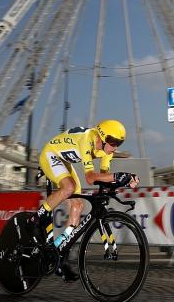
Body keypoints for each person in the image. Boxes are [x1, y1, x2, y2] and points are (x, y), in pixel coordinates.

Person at [34, 119, 139, 282]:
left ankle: (60, 252)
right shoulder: (87, 140)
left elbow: (104, 178)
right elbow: (90, 178)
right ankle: (38, 217)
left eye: (119, 143)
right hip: (50, 154)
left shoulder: (107, 152)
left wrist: (122, 181)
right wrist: (119, 176)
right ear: (101, 137)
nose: (115, 147)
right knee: (69, 187)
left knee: (78, 205)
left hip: (64, 161)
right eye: (112, 142)